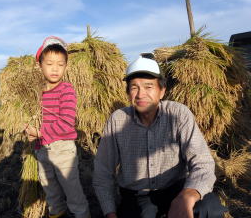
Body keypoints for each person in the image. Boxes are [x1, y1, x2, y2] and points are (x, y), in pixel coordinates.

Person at [93, 56, 227, 218]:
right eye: (134, 87)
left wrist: (188, 195)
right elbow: (103, 172)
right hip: (137, 196)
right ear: (128, 93)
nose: (141, 94)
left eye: (149, 87)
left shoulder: (178, 114)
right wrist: (110, 213)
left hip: (176, 188)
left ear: (162, 91)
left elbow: (203, 163)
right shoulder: (118, 120)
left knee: (209, 208)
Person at [24, 36, 90, 218]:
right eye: (50, 63)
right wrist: (30, 132)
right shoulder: (36, 93)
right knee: (52, 195)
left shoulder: (66, 90)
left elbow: (67, 122)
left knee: (74, 195)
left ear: (66, 67)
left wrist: (40, 132)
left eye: (60, 64)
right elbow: (33, 119)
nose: (55, 69)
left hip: (63, 151)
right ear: (40, 65)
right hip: (42, 150)